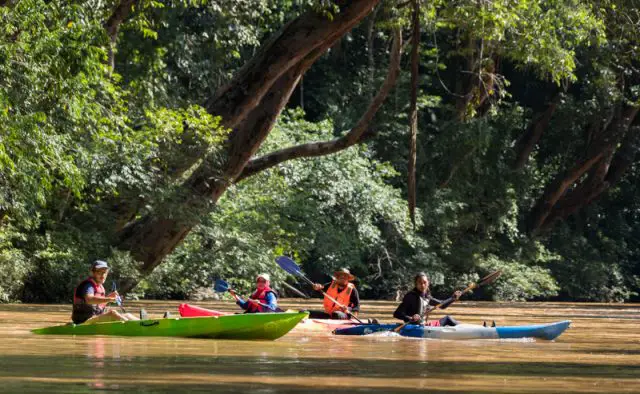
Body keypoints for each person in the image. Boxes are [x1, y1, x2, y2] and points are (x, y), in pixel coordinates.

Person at [72, 260, 139, 325]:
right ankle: (132, 326)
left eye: (104, 272)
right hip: (83, 322)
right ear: (92, 273)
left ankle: (142, 323)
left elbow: (99, 306)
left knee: (128, 315)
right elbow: (89, 300)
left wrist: (109, 297)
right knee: (113, 313)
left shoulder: (100, 287)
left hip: (94, 319)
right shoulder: (88, 285)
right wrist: (109, 299)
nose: (103, 275)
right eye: (99, 272)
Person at [393, 272, 462, 327]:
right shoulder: (410, 296)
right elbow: (397, 314)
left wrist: (453, 298)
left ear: (428, 283)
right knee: (448, 319)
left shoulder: (427, 297)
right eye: (420, 282)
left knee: (448, 319)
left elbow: (442, 305)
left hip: (424, 326)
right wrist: (410, 318)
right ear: (416, 284)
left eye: (424, 282)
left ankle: (463, 328)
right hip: (413, 327)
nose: (422, 285)